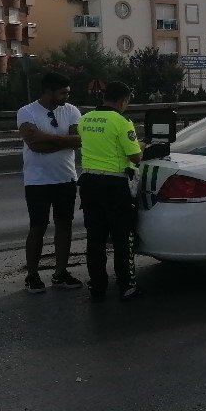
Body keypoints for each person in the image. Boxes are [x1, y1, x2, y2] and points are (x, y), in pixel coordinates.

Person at [17, 72, 84, 293]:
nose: (66, 96)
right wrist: (64, 141)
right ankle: (32, 275)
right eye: (63, 92)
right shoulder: (26, 112)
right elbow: (34, 145)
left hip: (66, 177)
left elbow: (78, 140)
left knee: (64, 225)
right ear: (48, 92)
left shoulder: (72, 111)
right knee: (38, 227)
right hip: (37, 181)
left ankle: (60, 272)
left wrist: (46, 137)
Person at [78, 81, 143, 302]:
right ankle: (126, 285)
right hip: (115, 185)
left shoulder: (85, 119)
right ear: (123, 100)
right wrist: (143, 147)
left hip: (88, 183)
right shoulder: (122, 122)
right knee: (122, 238)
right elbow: (135, 157)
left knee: (95, 239)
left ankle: (97, 286)